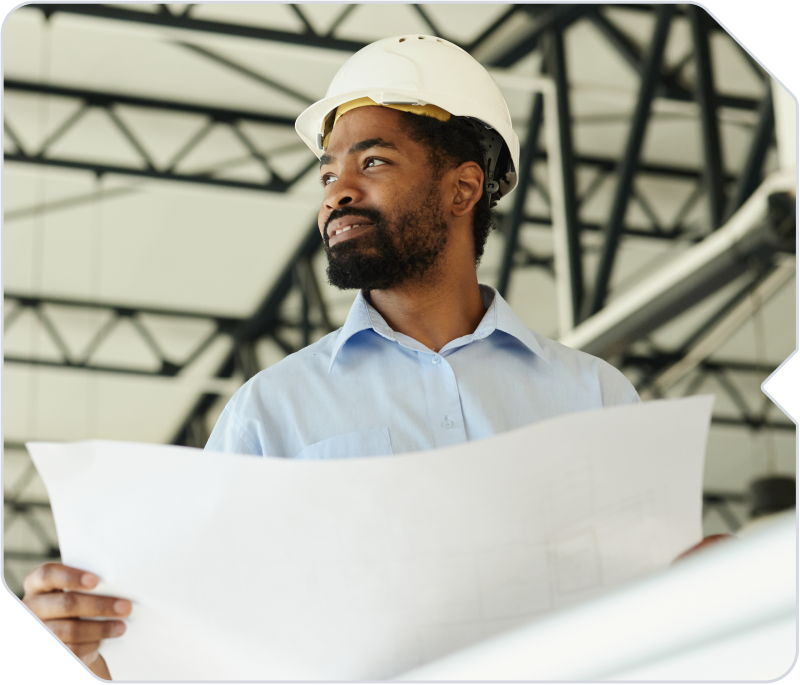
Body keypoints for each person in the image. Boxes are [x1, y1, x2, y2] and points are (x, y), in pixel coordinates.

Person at [20, 35, 728, 679]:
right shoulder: (270, 411)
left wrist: (716, 586)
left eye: (374, 161)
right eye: (328, 173)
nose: (338, 192)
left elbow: (659, 619)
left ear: (463, 187)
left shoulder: (595, 397)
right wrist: (93, 646)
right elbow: (199, 646)